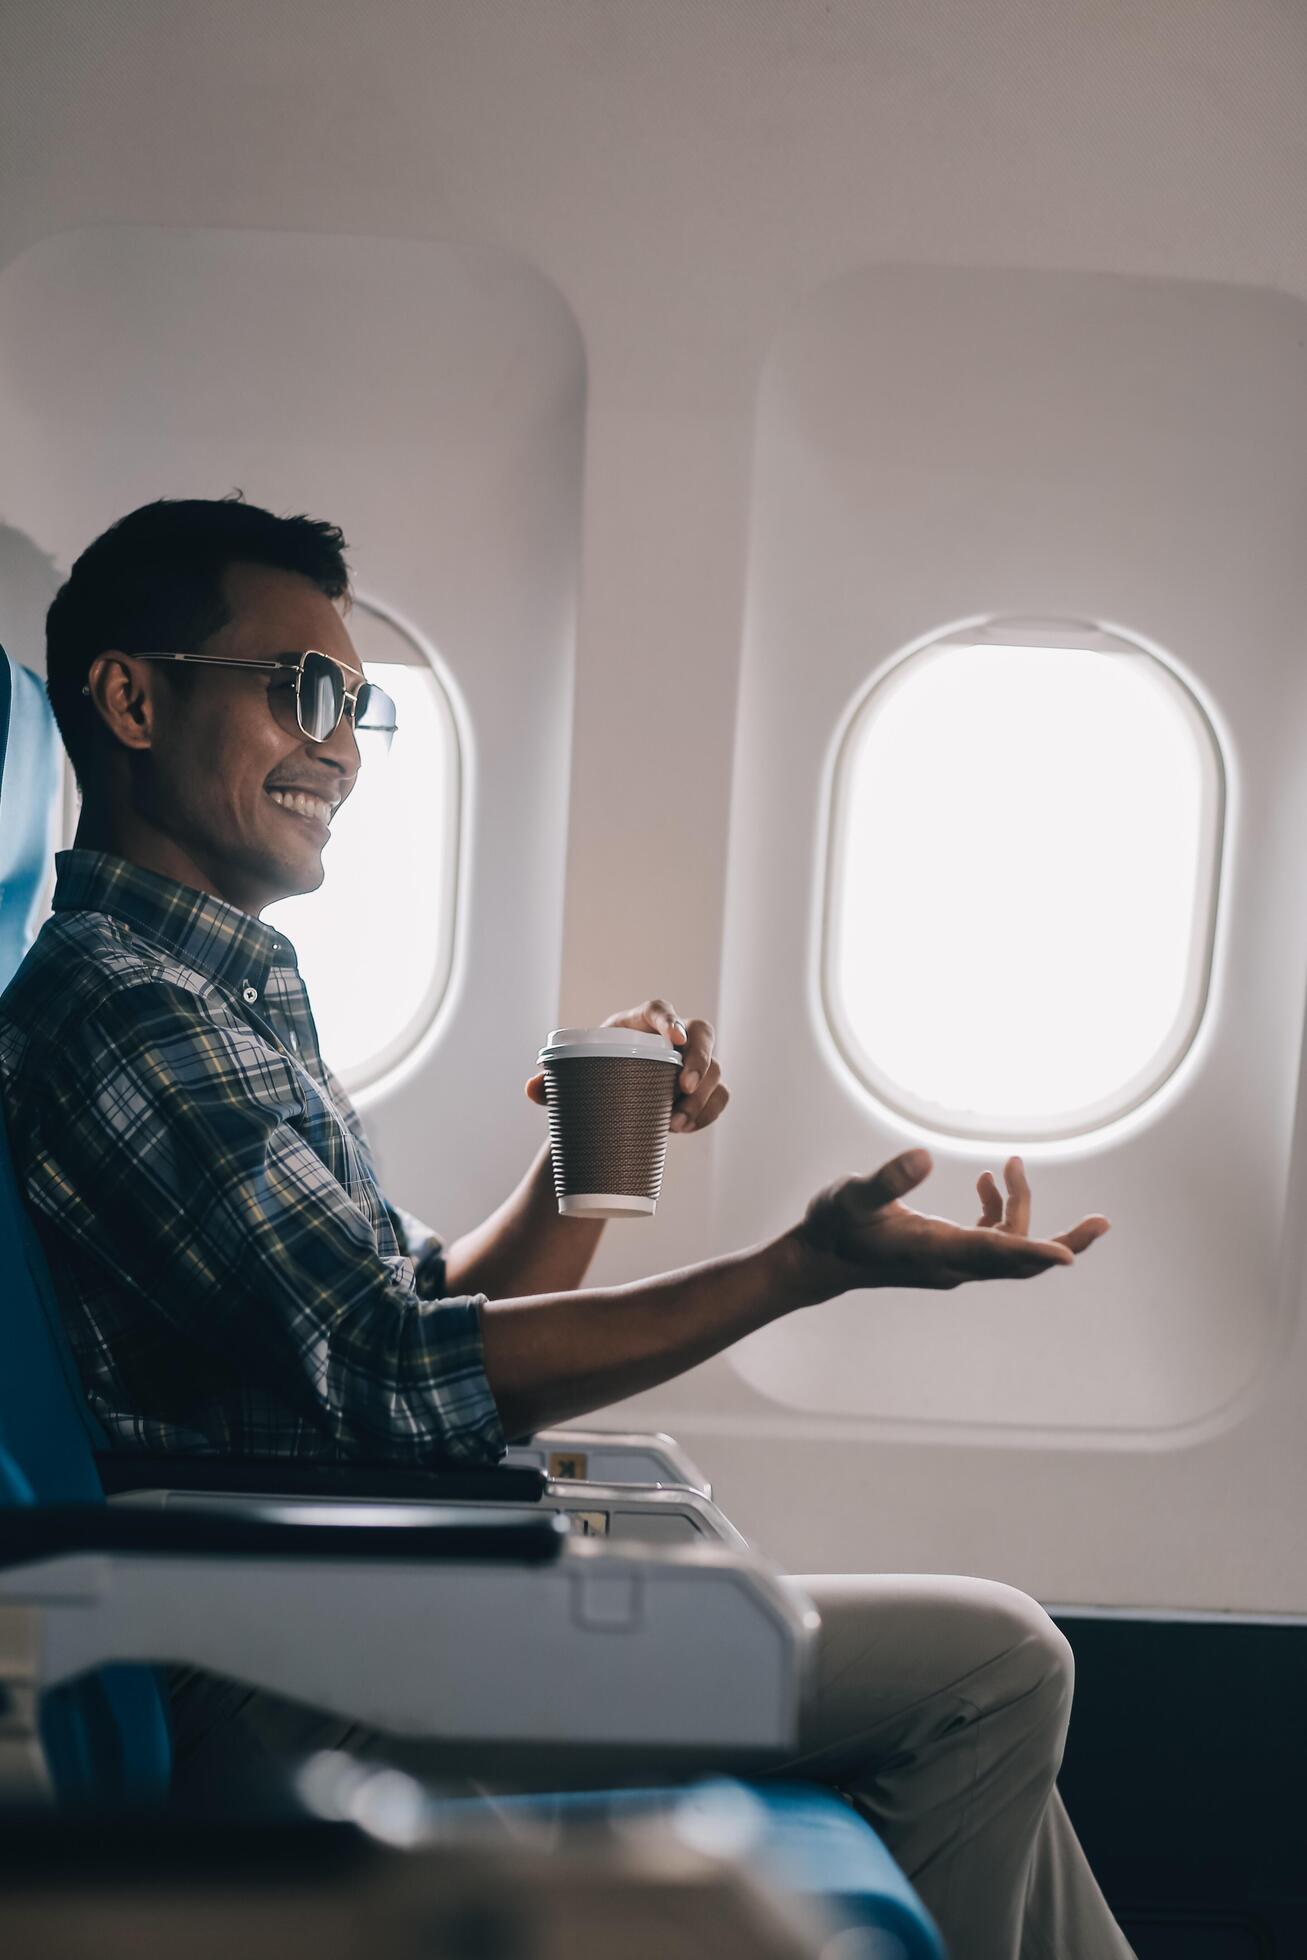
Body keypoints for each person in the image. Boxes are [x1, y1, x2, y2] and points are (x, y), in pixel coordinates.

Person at [0, 495, 1133, 1959]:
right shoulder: (122, 1009)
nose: (341, 746)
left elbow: (424, 1301)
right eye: (305, 690)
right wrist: (800, 1271)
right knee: (994, 1666)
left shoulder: (220, 997)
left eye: (359, 705)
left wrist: (594, 1155)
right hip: (264, 1645)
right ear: (134, 698)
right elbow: (403, 1373)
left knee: (991, 1734)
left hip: (326, 1606)